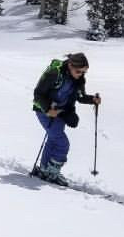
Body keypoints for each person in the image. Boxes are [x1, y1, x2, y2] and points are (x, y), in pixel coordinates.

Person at [31, 52, 101, 187]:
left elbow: (80, 97)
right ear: (70, 65)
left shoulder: (79, 79)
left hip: (61, 112)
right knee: (62, 143)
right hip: (45, 111)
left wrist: (92, 99)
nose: (81, 74)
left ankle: (45, 170)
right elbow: (38, 94)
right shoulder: (54, 74)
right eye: (78, 71)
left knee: (53, 139)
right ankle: (52, 172)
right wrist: (47, 109)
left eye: (84, 72)